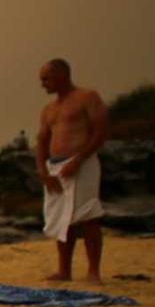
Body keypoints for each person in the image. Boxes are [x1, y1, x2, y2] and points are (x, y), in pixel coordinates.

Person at [36, 58, 109, 283]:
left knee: (87, 215)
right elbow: (41, 141)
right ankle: (64, 270)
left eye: (46, 78)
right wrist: (43, 172)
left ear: (62, 76)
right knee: (60, 219)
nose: (42, 84)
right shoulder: (48, 109)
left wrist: (79, 159)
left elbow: (101, 131)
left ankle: (93, 271)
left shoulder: (87, 97)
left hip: (82, 162)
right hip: (55, 166)